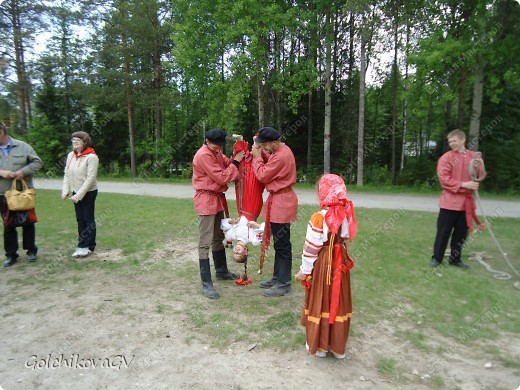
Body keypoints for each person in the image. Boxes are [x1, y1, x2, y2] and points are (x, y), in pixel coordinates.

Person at [295, 174, 357, 359]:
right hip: (340, 263)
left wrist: (304, 271)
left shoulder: (318, 218)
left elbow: (311, 248)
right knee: (338, 300)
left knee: (321, 297)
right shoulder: (346, 213)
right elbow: (345, 236)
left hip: (324, 264)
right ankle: (337, 347)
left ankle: (320, 346)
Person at [192, 128, 245, 299]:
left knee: (218, 237)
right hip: (206, 199)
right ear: (207, 141)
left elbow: (227, 163)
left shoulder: (216, 152)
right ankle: (206, 284)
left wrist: (237, 156)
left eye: (221, 146)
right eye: (216, 146)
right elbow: (223, 177)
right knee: (205, 241)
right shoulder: (204, 155)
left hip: (216, 199)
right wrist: (236, 163)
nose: (219, 149)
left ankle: (221, 271)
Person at [251, 127, 298, 297]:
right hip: (279, 200)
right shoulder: (280, 151)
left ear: (272, 143)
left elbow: (263, 175)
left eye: (263, 146)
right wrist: (261, 155)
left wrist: (257, 159)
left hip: (282, 202)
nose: (262, 149)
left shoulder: (281, 155)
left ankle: (284, 283)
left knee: (283, 244)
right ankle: (278, 277)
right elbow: (269, 160)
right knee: (280, 242)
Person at [430, 129, 484, 269]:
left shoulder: (473, 156)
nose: (451, 144)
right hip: (449, 203)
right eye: (450, 141)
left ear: (462, 140)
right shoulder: (446, 158)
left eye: (454, 141)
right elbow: (444, 179)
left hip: (466, 204)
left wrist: (478, 169)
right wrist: (463, 184)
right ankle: (437, 258)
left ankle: (455, 259)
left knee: (461, 234)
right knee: (443, 233)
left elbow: (479, 175)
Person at [0, 122, 43, 267]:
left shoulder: (23, 146)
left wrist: (23, 172)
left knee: (28, 223)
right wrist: (1, 172)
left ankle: (31, 251)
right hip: (3, 194)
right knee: (8, 225)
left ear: (1, 132)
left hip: (23, 193)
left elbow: (37, 163)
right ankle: (11, 255)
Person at [62, 131, 99, 258]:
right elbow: (67, 173)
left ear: (85, 142)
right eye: (73, 140)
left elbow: (90, 179)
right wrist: (65, 190)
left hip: (88, 192)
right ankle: (82, 245)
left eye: (78, 141)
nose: (75, 143)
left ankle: (89, 246)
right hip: (75, 192)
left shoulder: (92, 157)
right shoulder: (70, 156)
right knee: (80, 219)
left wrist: (79, 195)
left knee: (88, 219)